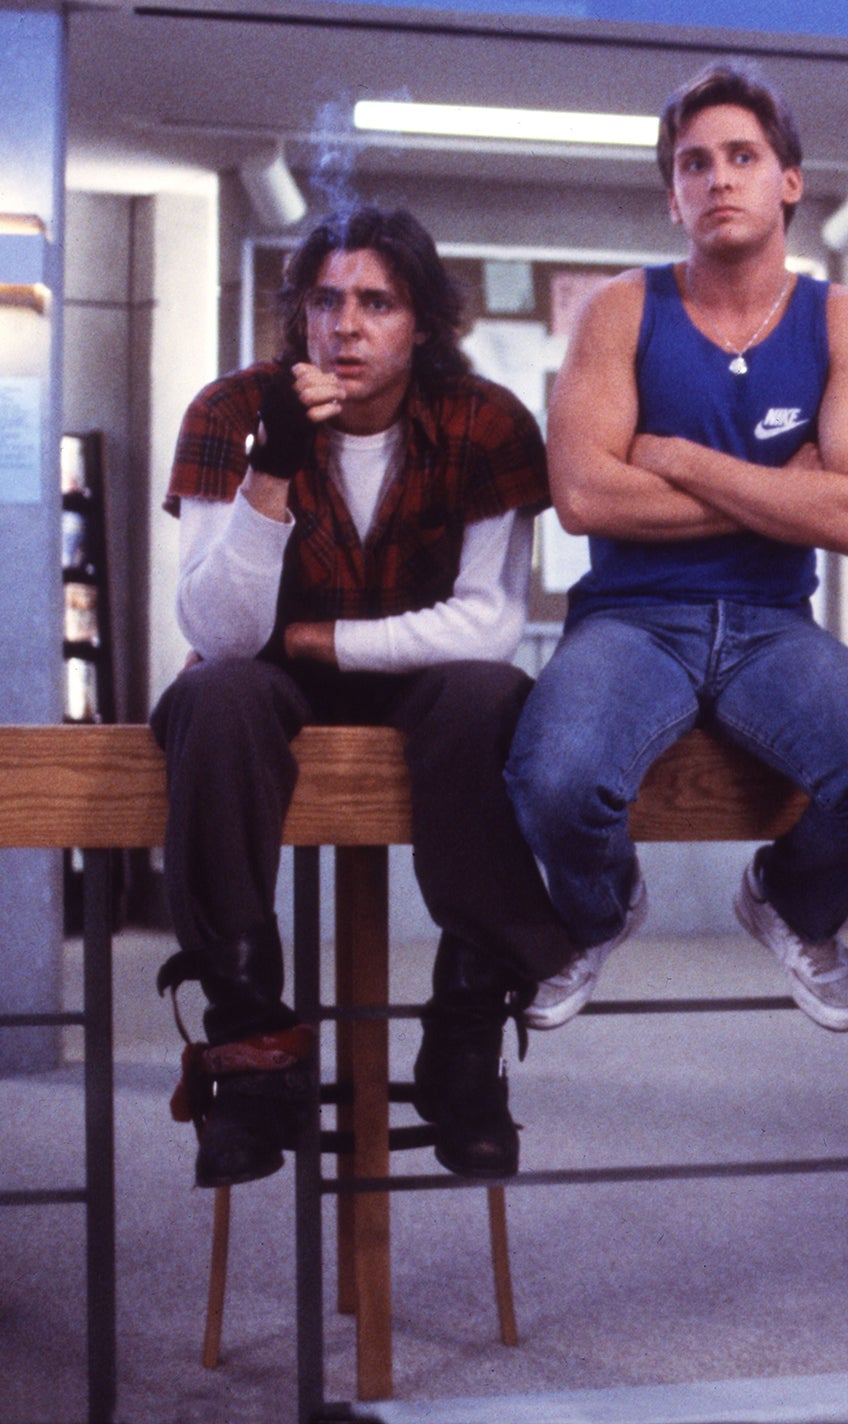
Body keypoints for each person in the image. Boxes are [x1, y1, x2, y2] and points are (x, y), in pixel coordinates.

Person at [505, 63, 848, 1035]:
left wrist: (670, 459)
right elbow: (580, 497)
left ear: (788, 179)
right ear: (672, 195)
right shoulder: (622, 309)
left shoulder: (846, 322)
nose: (717, 180)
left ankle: (788, 903)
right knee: (555, 780)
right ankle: (601, 909)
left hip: (771, 625)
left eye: (742, 157)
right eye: (694, 164)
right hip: (631, 620)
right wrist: (778, 489)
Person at [152, 206, 572, 1186]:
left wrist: (320, 637)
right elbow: (217, 634)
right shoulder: (231, 412)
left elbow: (485, 624)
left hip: (419, 676)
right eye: (326, 301)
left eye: (376, 302)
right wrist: (272, 472)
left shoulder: (483, 419)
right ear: (299, 316)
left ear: (421, 323)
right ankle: (254, 1052)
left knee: (488, 693)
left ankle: (462, 1046)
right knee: (214, 697)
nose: (346, 324)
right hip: (265, 679)